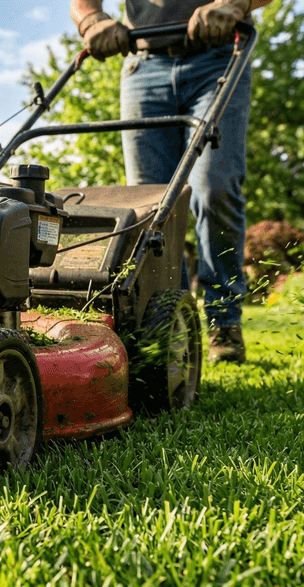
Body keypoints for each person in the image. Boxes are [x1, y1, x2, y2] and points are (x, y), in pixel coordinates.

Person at [69, 0, 270, 363]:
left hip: (217, 57)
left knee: (215, 187)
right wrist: (91, 20)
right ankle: (171, 325)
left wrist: (235, 4)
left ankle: (224, 320)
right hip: (144, 65)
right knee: (151, 207)